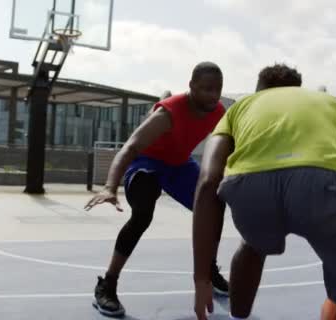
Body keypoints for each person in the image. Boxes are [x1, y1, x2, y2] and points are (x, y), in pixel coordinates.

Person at [192, 64, 336, 320]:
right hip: (323, 184)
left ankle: (238, 317)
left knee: (252, 245)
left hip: (252, 190)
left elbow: (207, 182)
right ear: (298, 90)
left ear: (258, 91)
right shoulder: (328, 103)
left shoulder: (239, 108)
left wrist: (202, 277)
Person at [85, 61, 229, 318]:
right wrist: (110, 186)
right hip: (146, 164)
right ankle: (107, 284)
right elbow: (130, 147)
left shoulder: (219, 112)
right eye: (206, 88)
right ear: (192, 86)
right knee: (142, 214)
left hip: (180, 165)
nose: (213, 94)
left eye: (217, 89)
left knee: (214, 204)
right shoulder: (169, 112)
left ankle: (209, 269)